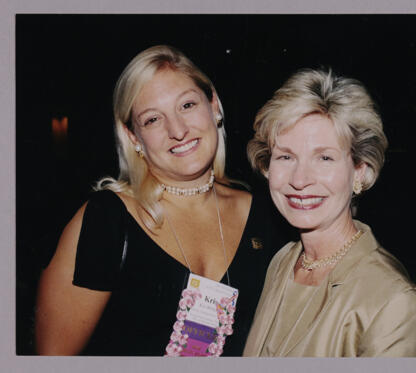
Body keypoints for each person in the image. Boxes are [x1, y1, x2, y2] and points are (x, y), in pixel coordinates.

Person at [35, 45, 287, 356]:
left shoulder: (267, 214)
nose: (178, 130)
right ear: (132, 137)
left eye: (187, 105)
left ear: (215, 106)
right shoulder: (107, 221)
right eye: (153, 119)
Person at [243, 69, 416, 357]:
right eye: (286, 156)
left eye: (324, 158)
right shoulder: (284, 262)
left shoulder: (399, 308)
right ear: (267, 166)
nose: (299, 180)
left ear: (360, 171)